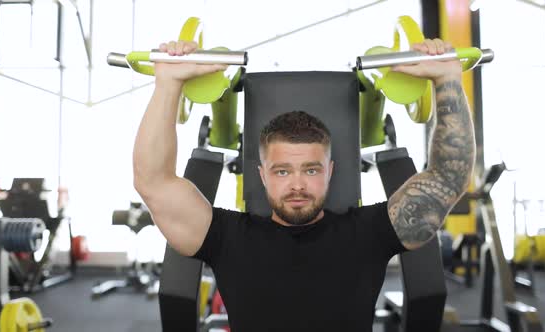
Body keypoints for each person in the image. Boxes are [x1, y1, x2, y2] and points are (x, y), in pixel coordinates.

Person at [133, 38, 475, 332]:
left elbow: (448, 176)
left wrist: (447, 79)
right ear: (262, 174)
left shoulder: (369, 234)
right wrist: (168, 83)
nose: (297, 185)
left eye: (310, 170)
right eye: (282, 171)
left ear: (331, 170)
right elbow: (153, 182)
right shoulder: (226, 237)